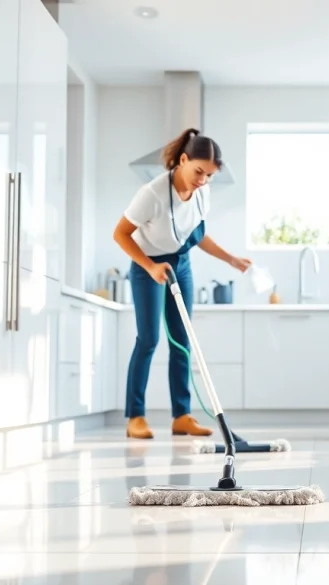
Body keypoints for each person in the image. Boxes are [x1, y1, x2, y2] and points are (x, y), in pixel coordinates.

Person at [113, 128, 251, 439]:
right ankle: (135, 417)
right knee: (148, 340)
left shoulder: (202, 192)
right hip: (147, 264)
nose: (203, 180)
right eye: (199, 171)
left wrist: (232, 259)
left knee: (183, 340)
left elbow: (197, 236)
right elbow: (120, 234)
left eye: (210, 175)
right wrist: (149, 266)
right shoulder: (152, 193)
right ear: (183, 160)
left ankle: (182, 415)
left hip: (181, 264)